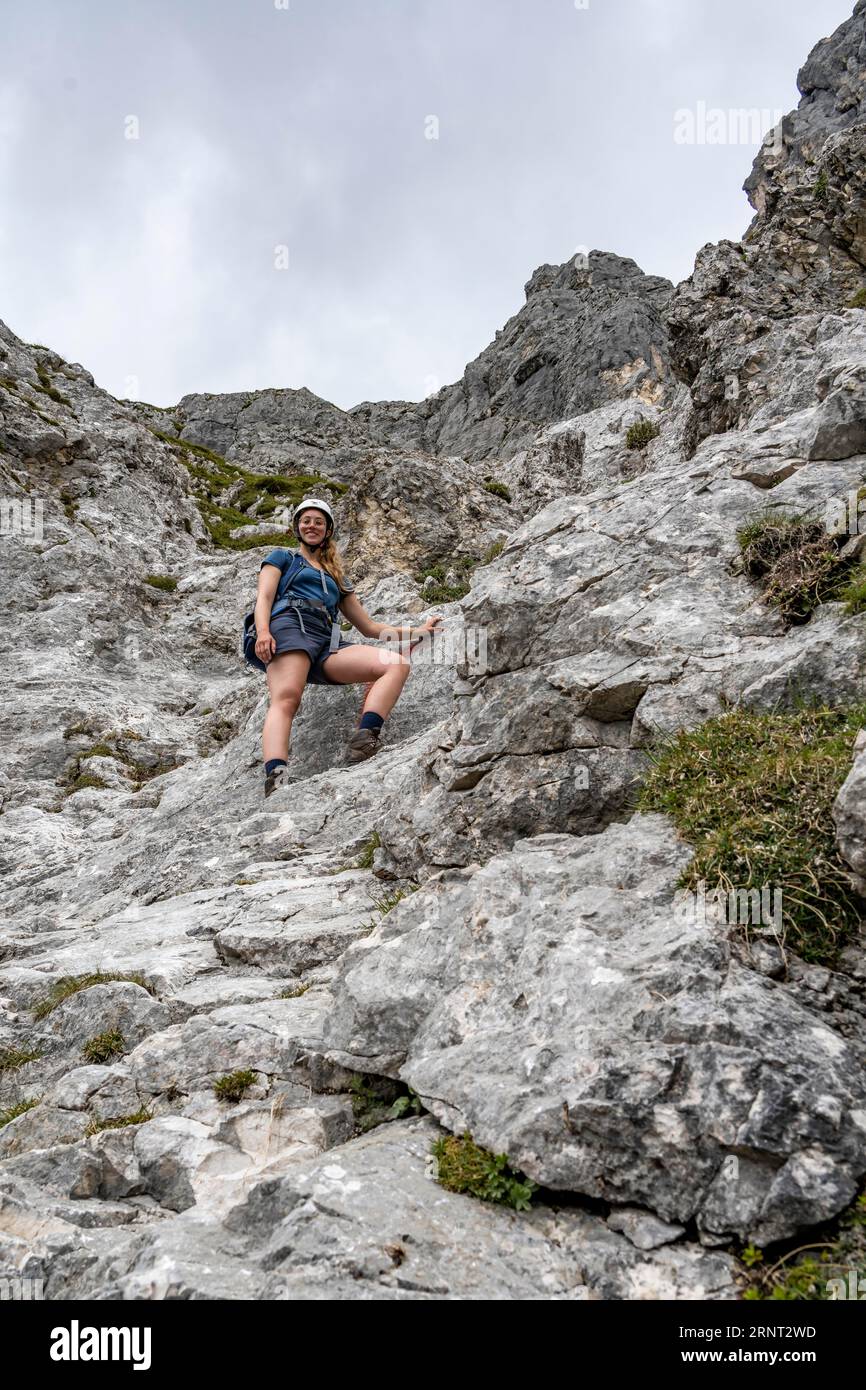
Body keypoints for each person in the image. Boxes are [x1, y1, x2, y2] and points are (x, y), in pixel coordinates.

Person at [245, 496, 442, 796]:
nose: (312, 526)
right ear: (297, 528)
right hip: (290, 626)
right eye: (306, 521)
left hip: (327, 640)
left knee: (395, 664)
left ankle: (365, 738)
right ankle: (276, 776)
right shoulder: (282, 559)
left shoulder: (336, 577)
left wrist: (419, 631)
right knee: (287, 698)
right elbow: (265, 597)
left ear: (328, 530)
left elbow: (370, 627)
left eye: (319, 522)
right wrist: (262, 632)